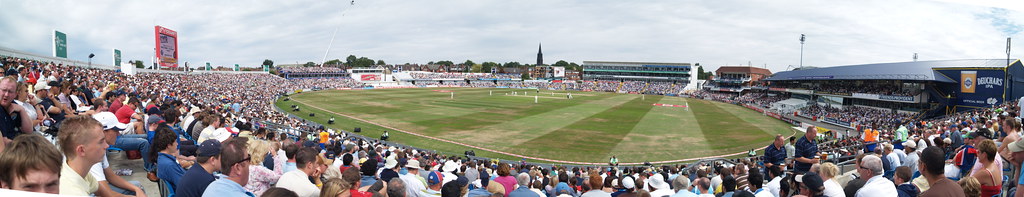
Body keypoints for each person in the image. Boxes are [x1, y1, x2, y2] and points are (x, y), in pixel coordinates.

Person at [57, 116, 108, 195]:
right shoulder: (74, 192)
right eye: (101, 142)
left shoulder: (77, 170)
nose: (106, 146)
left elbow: (102, 192)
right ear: (81, 150)